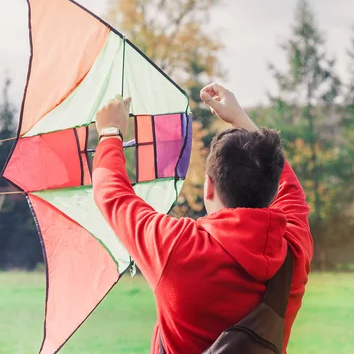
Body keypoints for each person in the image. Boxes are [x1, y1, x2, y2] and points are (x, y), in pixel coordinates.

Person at [92, 83, 313, 354]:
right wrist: (241, 119)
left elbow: (111, 193)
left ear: (208, 186)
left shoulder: (176, 246)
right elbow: (290, 189)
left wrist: (110, 133)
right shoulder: (293, 250)